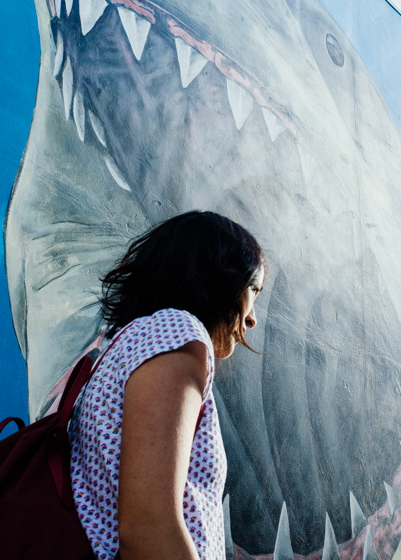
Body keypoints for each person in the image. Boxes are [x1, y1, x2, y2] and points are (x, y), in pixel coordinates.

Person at [68, 211, 265, 560]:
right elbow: (148, 528)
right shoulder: (177, 335)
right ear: (220, 278)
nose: (252, 318)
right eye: (253, 290)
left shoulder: (138, 342)